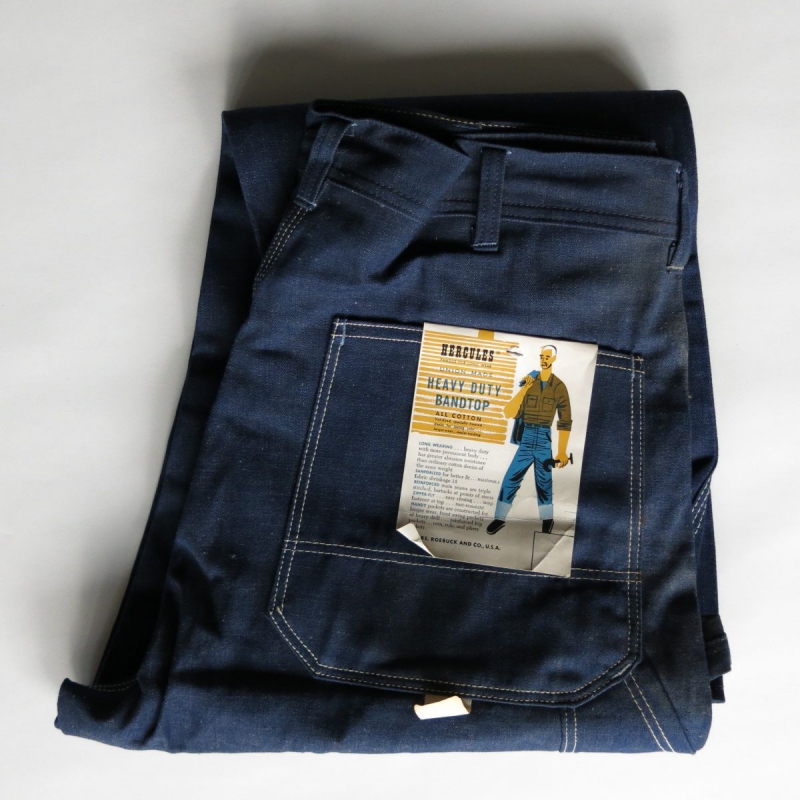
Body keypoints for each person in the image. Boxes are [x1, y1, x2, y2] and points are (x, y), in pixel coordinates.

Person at [486, 345, 571, 535]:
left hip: (544, 439)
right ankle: (499, 518)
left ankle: (547, 520)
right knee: (510, 478)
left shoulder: (559, 387)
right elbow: (509, 412)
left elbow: (565, 421)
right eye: (541, 356)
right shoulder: (529, 381)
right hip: (526, 437)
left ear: (554, 359)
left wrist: (562, 451)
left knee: (544, 482)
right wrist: (524, 388)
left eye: (547, 357)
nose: (544, 360)